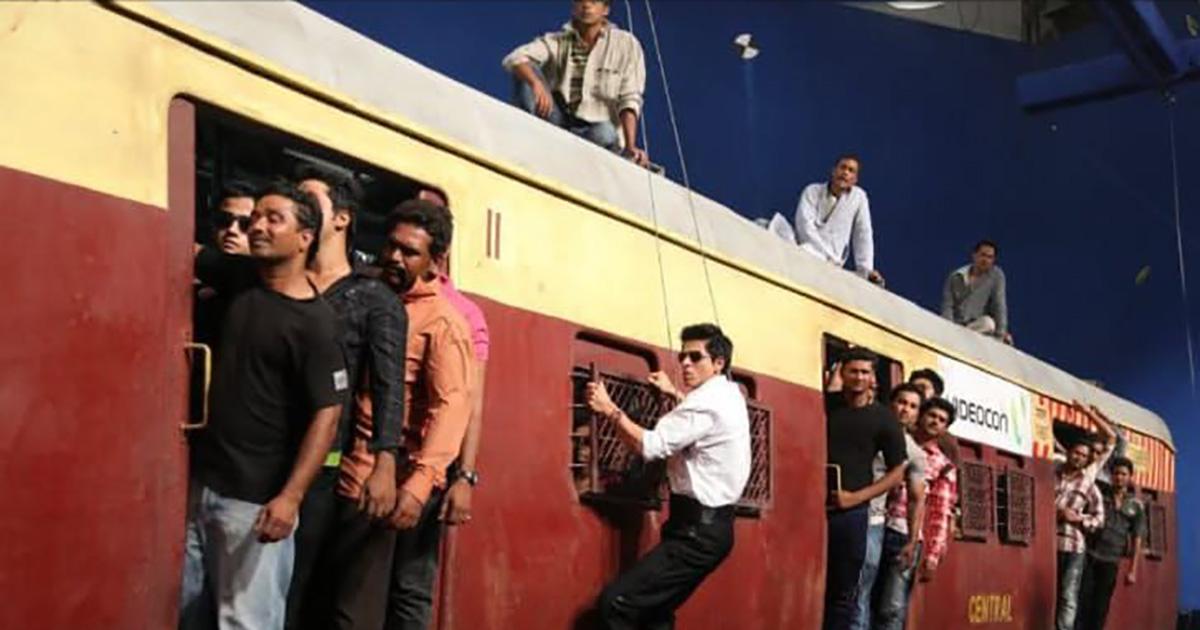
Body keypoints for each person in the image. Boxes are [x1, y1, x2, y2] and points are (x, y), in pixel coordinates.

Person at [180, 181, 348, 630]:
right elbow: (175, 242)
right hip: (200, 483)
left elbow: (327, 415)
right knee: (190, 613)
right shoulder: (239, 276)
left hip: (254, 501)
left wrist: (290, 498)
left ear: (305, 238)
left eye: (274, 219)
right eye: (256, 217)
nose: (257, 226)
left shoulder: (316, 325)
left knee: (246, 621)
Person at [334, 200, 474, 630]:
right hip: (347, 470)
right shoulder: (364, 295)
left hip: (391, 483)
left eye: (410, 252)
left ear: (437, 260)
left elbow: (452, 406)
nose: (395, 257)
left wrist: (417, 487)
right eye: (391, 246)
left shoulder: (443, 323)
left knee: (365, 607)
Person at [286, 165, 408, 630]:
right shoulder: (281, 280)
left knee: (302, 593)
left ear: (342, 218)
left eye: (309, 201)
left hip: (322, 466)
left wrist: (385, 462)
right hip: (261, 455)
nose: (298, 209)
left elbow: (388, 384)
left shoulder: (374, 297)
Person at [585, 324, 750, 629]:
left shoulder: (705, 403)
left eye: (695, 357)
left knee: (616, 604)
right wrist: (674, 393)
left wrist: (609, 409)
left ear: (718, 363)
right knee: (655, 615)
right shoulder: (730, 393)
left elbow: (650, 446)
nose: (685, 363)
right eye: (682, 356)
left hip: (697, 534)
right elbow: (701, 421)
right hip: (708, 529)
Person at [502, 0, 649, 166]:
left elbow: (629, 98)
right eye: (580, 1)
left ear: (606, 9)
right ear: (574, 7)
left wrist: (630, 147)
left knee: (605, 132)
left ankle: (568, 157)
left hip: (594, 131)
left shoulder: (625, 44)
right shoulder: (559, 41)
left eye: (594, 1)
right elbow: (515, 58)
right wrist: (536, 83)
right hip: (558, 123)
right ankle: (525, 140)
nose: (586, 6)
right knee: (526, 72)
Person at [824, 348, 908, 630]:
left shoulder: (884, 419)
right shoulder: (827, 405)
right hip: (816, 506)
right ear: (843, 373)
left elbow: (897, 473)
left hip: (852, 513)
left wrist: (855, 498)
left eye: (865, 372)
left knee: (845, 591)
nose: (859, 377)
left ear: (872, 377)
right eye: (853, 371)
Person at [872, 398, 958, 630]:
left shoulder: (943, 465)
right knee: (866, 598)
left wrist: (932, 555)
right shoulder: (896, 443)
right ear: (921, 416)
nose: (935, 422)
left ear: (945, 428)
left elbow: (940, 512)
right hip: (878, 524)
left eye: (941, 420)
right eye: (932, 415)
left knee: (892, 607)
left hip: (906, 536)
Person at [852, 384, 928, 630]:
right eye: (902, 402)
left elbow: (917, 498)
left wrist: (912, 541)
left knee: (864, 594)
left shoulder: (914, 453)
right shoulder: (867, 426)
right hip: (848, 513)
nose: (905, 409)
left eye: (913, 406)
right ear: (891, 403)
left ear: (917, 414)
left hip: (872, 521)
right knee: (852, 593)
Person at [1076, 457, 1145, 630]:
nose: (1119, 477)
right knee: (1083, 601)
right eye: (1116, 473)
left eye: (1123, 474)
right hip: (1089, 555)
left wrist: (1133, 570)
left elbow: (1137, 537)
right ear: (1111, 476)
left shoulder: (1135, 506)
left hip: (1111, 561)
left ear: (1130, 477)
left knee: (1101, 606)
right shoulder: (1100, 495)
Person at [794, 155, 883, 285]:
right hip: (807, 249)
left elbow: (863, 234)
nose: (845, 172)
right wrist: (825, 254)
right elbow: (804, 226)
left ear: (855, 179)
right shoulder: (812, 191)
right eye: (843, 168)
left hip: (834, 262)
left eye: (851, 170)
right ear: (834, 171)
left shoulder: (859, 198)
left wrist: (866, 270)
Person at [193, 180, 257, 349]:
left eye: (245, 224)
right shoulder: (193, 276)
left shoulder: (264, 281)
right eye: (224, 220)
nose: (232, 230)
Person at [1054, 441, 1105, 630]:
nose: (1079, 458)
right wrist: (1057, 511)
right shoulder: (1052, 472)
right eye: (1076, 452)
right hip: (1048, 543)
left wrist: (1078, 519)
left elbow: (1100, 518)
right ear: (1068, 452)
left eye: (1084, 456)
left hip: (1073, 546)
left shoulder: (1088, 484)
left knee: (1068, 596)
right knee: (1047, 590)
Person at [940, 240, 1010, 343]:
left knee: (988, 323)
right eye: (983, 255)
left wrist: (1001, 335)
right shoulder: (956, 277)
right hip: (956, 327)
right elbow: (947, 306)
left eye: (990, 257)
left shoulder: (996, 275)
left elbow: (999, 306)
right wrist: (948, 328)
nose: (985, 260)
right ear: (974, 255)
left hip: (977, 327)